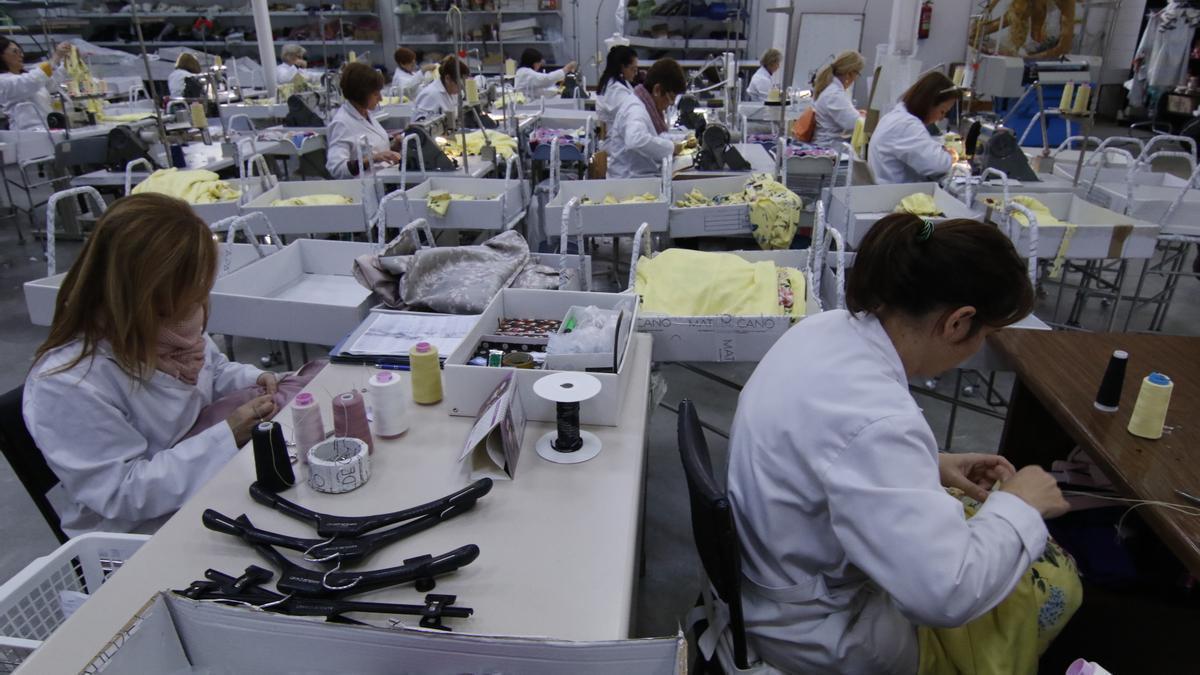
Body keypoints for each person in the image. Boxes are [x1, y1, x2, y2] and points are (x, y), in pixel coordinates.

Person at [727, 214, 1074, 674]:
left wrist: (928, 462)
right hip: (818, 628)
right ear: (958, 322)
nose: (978, 348)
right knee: (1054, 587)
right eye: (986, 335)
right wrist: (1022, 505)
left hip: (769, 574)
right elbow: (945, 594)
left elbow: (830, 452)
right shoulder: (880, 420)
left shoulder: (824, 329)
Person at [24, 194, 280, 536]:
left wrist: (255, 377)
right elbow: (122, 494)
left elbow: (212, 370)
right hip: (139, 536)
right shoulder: (67, 384)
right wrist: (225, 436)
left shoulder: (171, 326)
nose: (196, 308)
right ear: (142, 293)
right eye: (184, 295)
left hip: (205, 490)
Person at [869, 71, 960, 184]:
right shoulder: (907, 125)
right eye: (942, 111)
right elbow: (935, 164)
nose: (941, 118)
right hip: (894, 195)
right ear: (929, 103)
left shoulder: (895, 117)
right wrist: (951, 157)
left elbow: (921, 148)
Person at [606, 57, 687, 178]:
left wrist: (684, 138)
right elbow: (636, 140)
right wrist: (671, 148)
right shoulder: (635, 109)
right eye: (671, 97)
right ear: (657, 90)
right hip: (628, 183)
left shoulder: (645, 105)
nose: (670, 104)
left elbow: (655, 137)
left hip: (640, 179)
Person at [326, 62, 401, 179]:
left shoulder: (367, 114)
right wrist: (370, 159)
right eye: (376, 94)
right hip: (363, 190)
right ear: (361, 94)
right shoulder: (342, 123)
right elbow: (336, 168)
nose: (381, 98)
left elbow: (377, 149)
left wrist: (395, 146)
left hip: (383, 180)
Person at [0, 37, 71, 130]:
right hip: (27, 133)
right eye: (15, 52)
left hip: (47, 129)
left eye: (20, 51)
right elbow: (32, 81)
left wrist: (68, 62)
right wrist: (55, 57)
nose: (21, 55)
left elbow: (51, 83)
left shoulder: (25, 75)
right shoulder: (4, 80)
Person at [811, 50, 865, 147]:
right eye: (858, 74)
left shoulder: (831, 89)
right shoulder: (834, 95)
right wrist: (865, 118)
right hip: (828, 150)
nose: (856, 78)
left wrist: (857, 114)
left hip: (828, 145)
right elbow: (853, 124)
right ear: (850, 73)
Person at [412, 54, 471, 121]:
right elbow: (421, 126)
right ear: (448, 78)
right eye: (459, 85)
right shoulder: (430, 95)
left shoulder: (452, 92)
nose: (461, 89)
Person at [596, 45, 638, 128]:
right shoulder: (616, 90)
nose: (636, 73)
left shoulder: (616, 82)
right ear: (622, 67)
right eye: (633, 69)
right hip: (615, 137)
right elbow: (632, 114)